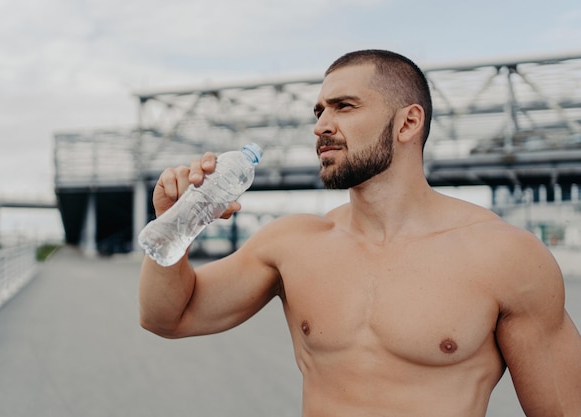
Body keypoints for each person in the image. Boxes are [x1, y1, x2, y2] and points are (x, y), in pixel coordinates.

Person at [139, 49, 581, 417]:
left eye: (344, 106)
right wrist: (171, 222)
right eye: (319, 110)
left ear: (408, 123)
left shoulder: (506, 256)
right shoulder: (292, 242)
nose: (320, 126)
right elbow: (168, 317)